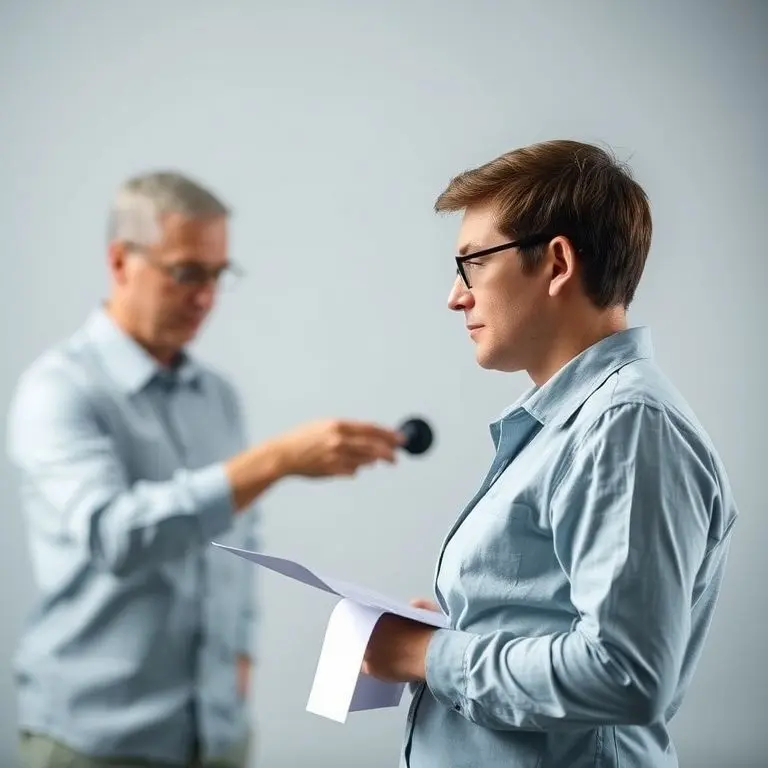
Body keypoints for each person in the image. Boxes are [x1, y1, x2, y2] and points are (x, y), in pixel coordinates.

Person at [6, 170, 404, 768]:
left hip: (216, 736)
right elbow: (115, 536)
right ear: (120, 262)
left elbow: (236, 539)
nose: (206, 297)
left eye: (218, 275)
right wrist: (273, 461)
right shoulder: (57, 391)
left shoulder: (216, 395)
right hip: (92, 742)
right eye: (187, 272)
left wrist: (239, 653)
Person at [362, 139, 739, 767]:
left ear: (557, 262)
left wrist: (424, 655)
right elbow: (555, 623)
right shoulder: (580, 424)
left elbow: (624, 674)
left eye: (472, 264)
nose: (456, 297)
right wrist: (456, 633)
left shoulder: (627, 427)